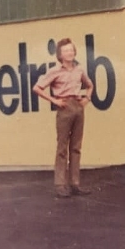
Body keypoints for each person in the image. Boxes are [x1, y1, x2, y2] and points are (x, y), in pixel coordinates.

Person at [32, 38, 94, 198]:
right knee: (62, 148)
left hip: (78, 107)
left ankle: (75, 184)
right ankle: (60, 185)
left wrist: (87, 98)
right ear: (60, 54)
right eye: (66, 50)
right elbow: (37, 88)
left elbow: (90, 85)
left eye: (72, 50)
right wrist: (54, 101)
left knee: (76, 147)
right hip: (64, 107)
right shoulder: (54, 71)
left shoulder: (79, 69)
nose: (70, 53)